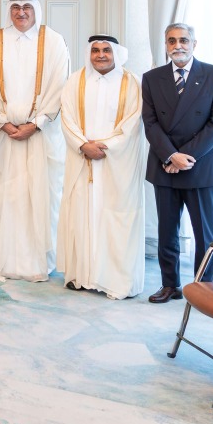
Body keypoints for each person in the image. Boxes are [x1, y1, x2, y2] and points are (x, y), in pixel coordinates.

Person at [0, 0, 70, 282]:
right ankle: (3, 261)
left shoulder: (54, 42)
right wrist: (4, 122)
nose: (21, 13)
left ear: (36, 10)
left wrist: (36, 123)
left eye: (27, 8)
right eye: (16, 8)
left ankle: (37, 264)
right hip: (4, 135)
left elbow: (60, 87)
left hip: (41, 136)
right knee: (4, 199)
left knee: (40, 198)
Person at [142, 22, 213, 303]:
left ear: (194, 44)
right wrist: (170, 155)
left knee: (205, 233)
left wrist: (184, 157)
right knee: (167, 230)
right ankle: (170, 285)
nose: (177, 45)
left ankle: (203, 289)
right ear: (165, 45)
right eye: (171, 41)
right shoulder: (152, 78)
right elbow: (150, 122)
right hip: (165, 164)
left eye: (183, 40)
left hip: (202, 166)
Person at [56, 35, 145, 299]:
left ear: (116, 53)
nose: (101, 55)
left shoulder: (133, 83)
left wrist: (104, 146)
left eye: (106, 50)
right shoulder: (75, 80)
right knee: (81, 214)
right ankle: (80, 276)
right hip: (82, 160)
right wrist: (83, 145)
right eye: (95, 50)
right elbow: (67, 118)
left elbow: (132, 122)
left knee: (116, 217)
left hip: (117, 163)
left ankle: (116, 280)